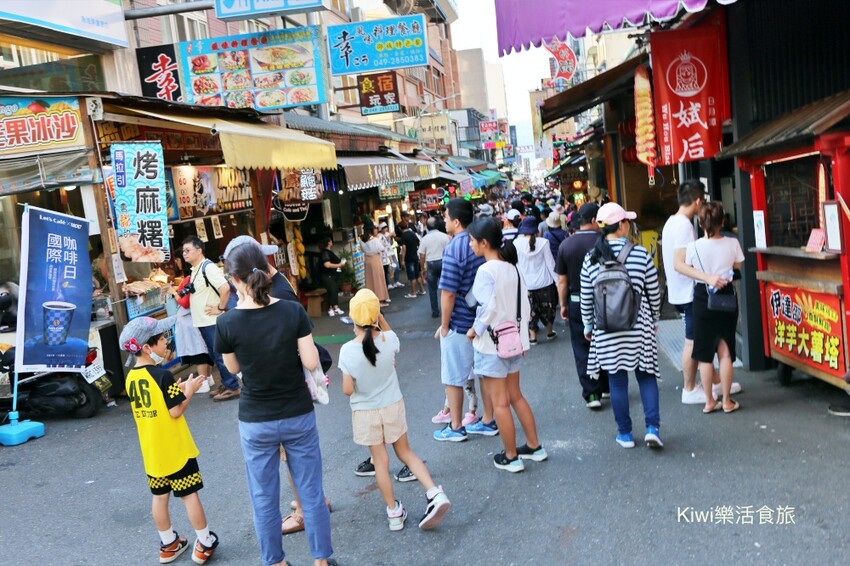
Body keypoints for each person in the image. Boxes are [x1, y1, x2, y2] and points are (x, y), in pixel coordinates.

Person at [215, 243, 334, 566]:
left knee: (264, 497)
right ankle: (321, 560)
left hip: (256, 419)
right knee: (310, 491)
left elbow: (234, 368)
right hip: (297, 412)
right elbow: (311, 360)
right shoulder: (291, 311)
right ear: (266, 270)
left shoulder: (227, 323)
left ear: (235, 280)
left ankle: (275, 562)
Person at [340, 289, 452, 531]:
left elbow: (348, 390)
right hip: (392, 406)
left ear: (353, 318)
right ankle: (434, 493)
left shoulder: (347, 351)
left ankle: (394, 513)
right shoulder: (388, 341)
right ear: (377, 315)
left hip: (366, 412)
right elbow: (389, 335)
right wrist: (380, 317)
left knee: (380, 461)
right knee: (406, 452)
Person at [119, 316, 219, 565]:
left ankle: (168, 544)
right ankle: (204, 542)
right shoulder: (161, 376)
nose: (166, 342)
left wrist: (180, 390)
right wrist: (190, 390)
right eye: (162, 339)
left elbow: (159, 403)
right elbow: (175, 410)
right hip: (176, 449)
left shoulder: (131, 378)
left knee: (159, 497)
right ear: (147, 347)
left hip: (152, 451)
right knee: (189, 495)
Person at [580, 203, 663, 449]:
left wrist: (588, 326)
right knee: (646, 377)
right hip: (639, 326)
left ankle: (625, 434)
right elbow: (653, 292)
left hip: (606, 330)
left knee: (616, 382)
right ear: (623, 225)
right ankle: (652, 428)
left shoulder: (592, 258)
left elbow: (586, 297)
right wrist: (655, 318)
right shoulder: (639, 254)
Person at [466, 217, 547, 472]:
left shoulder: (486, 271)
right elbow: (523, 304)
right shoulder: (513, 267)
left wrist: (475, 329)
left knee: (499, 402)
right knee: (515, 396)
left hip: (492, 345)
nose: (470, 245)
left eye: (472, 241)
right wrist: (523, 339)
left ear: (484, 242)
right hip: (514, 342)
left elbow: (485, 307)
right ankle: (534, 446)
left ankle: (511, 456)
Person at [662, 181, 741, 404]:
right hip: (689, 292)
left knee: (704, 339)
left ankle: (716, 380)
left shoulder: (671, 222)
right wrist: (708, 277)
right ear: (697, 201)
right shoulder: (685, 226)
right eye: (702, 202)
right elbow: (679, 263)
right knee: (693, 342)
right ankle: (689, 388)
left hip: (679, 291)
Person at [433, 198, 491, 442]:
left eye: (446, 217)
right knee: (485, 373)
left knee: (454, 377)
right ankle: (488, 420)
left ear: (456, 221)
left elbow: (448, 293)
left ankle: (456, 426)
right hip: (484, 319)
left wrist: (444, 326)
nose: (444, 220)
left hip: (459, 322)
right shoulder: (479, 241)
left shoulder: (455, 248)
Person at [679, 201, 745, 414]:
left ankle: (709, 401)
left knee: (705, 352)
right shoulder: (732, 243)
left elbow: (688, 268)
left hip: (702, 297)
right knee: (725, 351)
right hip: (725, 296)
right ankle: (726, 401)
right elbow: (737, 268)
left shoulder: (693, 247)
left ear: (701, 222)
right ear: (722, 221)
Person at [556, 202, 610, 409]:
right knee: (605, 342)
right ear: (595, 220)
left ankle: (591, 394)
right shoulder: (604, 241)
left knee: (582, 347)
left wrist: (563, 304)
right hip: (606, 299)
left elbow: (562, 281)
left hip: (577, 300)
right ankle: (606, 385)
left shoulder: (566, 245)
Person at [181, 236, 240, 402]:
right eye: (183, 251)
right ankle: (227, 383)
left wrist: (220, 308)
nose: (184, 254)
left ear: (199, 250)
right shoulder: (196, 269)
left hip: (212, 321)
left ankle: (232, 386)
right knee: (216, 355)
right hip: (204, 322)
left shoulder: (208, 268)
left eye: (188, 250)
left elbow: (225, 288)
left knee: (220, 355)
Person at [513, 217, 559, 344]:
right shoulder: (543, 242)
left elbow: (516, 264)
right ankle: (549, 332)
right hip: (545, 282)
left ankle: (533, 337)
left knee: (530, 310)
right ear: (536, 229)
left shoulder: (516, 243)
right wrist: (558, 282)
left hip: (526, 284)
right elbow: (551, 264)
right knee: (548, 308)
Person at [418, 217, 451, 318]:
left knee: (432, 289)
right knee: (446, 288)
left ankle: (435, 311)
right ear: (437, 225)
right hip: (443, 262)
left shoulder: (424, 239)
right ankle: (448, 309)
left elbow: (422, 255)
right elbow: (449, 250)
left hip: (431, 263)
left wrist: (422, 269)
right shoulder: (445, 237)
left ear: (427, 226)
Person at [360, 222, 391, 304]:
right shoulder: (375, 240)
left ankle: (371, 298)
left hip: (367, 260)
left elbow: (362, 250)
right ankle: (380, 298)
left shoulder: (362, 240)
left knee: (370, 280)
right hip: (375, 259)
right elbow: (381, 248)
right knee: (378, 279)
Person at [319, 236, 345, 317]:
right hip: (327, 275)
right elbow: (327, 265)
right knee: (332, 290)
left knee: (335, 290)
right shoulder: (325, 253)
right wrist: (339, 264)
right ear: (328, 243)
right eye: (330, 241)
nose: (332, 242)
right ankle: (330, 308)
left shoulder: (329, 252)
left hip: (333, 274)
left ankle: (336, 307)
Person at [398, 221, 423, 299]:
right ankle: (422, 289)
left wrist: (402, 260)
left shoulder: (404, 236)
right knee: (417, 274)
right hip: (415, 256)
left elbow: (404, 249)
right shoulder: (413, 233)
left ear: (400, 228)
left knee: (412, 276)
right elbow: (418, 243)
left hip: (409, 258)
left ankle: (413, 292)